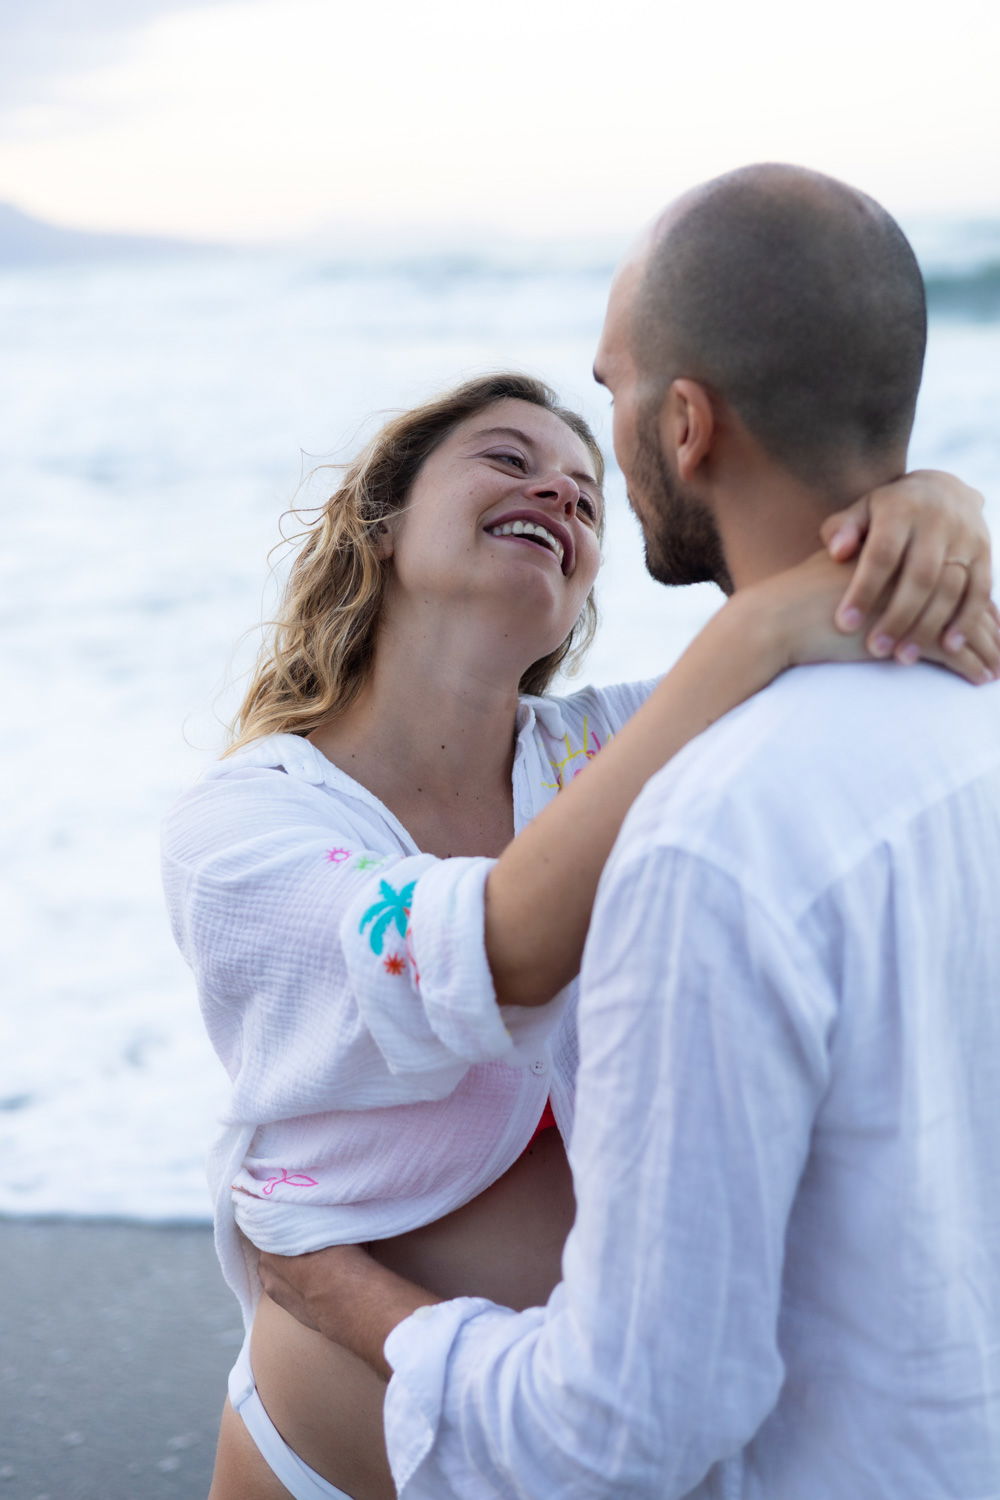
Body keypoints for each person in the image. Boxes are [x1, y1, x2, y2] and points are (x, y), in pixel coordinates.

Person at [257, 167, 1000, 1500]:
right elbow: (475, 948)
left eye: (598, 444)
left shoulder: (658, 779)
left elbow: (622, 1433)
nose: (570, 483)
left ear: (689, 425)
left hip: (534, 1407)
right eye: (508, 457)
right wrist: (776, 611)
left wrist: (933, 506)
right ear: (382, 521)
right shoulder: (254, 816)